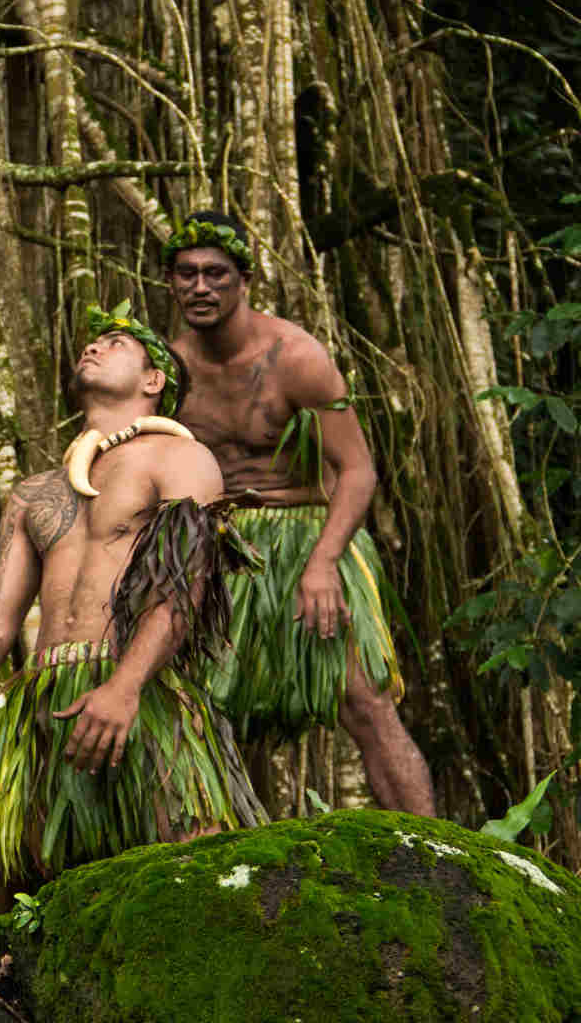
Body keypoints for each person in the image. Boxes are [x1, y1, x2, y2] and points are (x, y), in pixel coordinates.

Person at [0, 306, 265, 913]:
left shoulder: (180, 460)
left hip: (138, 692)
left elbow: (185, 583)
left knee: (199, 879)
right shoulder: (34, 494)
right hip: (40, 703)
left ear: (154, 381)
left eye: (115, 342)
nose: (94, 346)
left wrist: (125, 687)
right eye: (92, 341)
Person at [164, 210, 435, 815]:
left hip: (307, 535)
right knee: (208, 708)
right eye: (186, 274)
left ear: (244, 279)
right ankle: (238, 859)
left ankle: (437, 855)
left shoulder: (296, 358)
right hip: (219, 542)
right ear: (171, 281)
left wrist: (324, 563)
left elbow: (359, 469)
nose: (200, 287)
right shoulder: (169, 369)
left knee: (363, 699)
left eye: (215, 273)